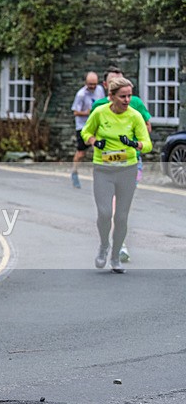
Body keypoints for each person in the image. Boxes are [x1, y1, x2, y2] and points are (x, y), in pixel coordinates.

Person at [81, 77, 151, 273]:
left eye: (129, 95)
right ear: (111, 96)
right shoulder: (100, 113)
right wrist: (96, 142)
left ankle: (116, 256)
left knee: (121, 217)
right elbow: (85, 133)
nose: (127, 100)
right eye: (123, 96)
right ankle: (104, 245)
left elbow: (148, 144)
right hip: (103, 169)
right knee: (104, 213)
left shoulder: (135, 116)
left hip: (127, 169)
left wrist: (133, 144)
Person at [70, 71, 105, 188]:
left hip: (96, 126)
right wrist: (87, 112)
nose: (93, 87)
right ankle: (74, 172)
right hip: (83, 127)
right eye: (90, 84)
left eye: (94, 84)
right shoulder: (81, 94)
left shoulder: (100, 90)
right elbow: (75, 112)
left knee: (98, 149)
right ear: (86, 83)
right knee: (81, 153)